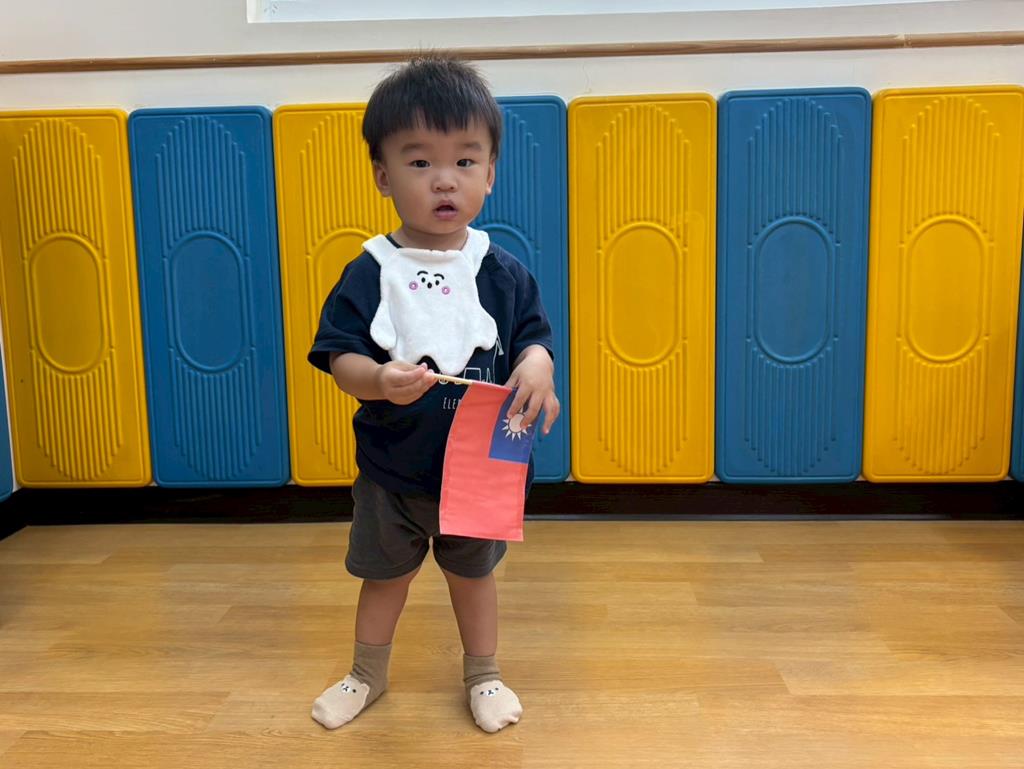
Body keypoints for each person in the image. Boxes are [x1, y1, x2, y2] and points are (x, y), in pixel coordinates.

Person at [306, 53, 559, 734]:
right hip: (392, 473)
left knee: (473, 577)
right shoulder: (370, 272)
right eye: (420, 162)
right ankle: (366, 673)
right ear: (383, 175)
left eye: (465, 161)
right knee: (384, 577)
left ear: (490, 173)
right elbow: (339, 357)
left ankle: (484, 674)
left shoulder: (503, 273)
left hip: (480, 469)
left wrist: (539, 365)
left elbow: (535, 341)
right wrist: (377, 381)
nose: (445, 179)